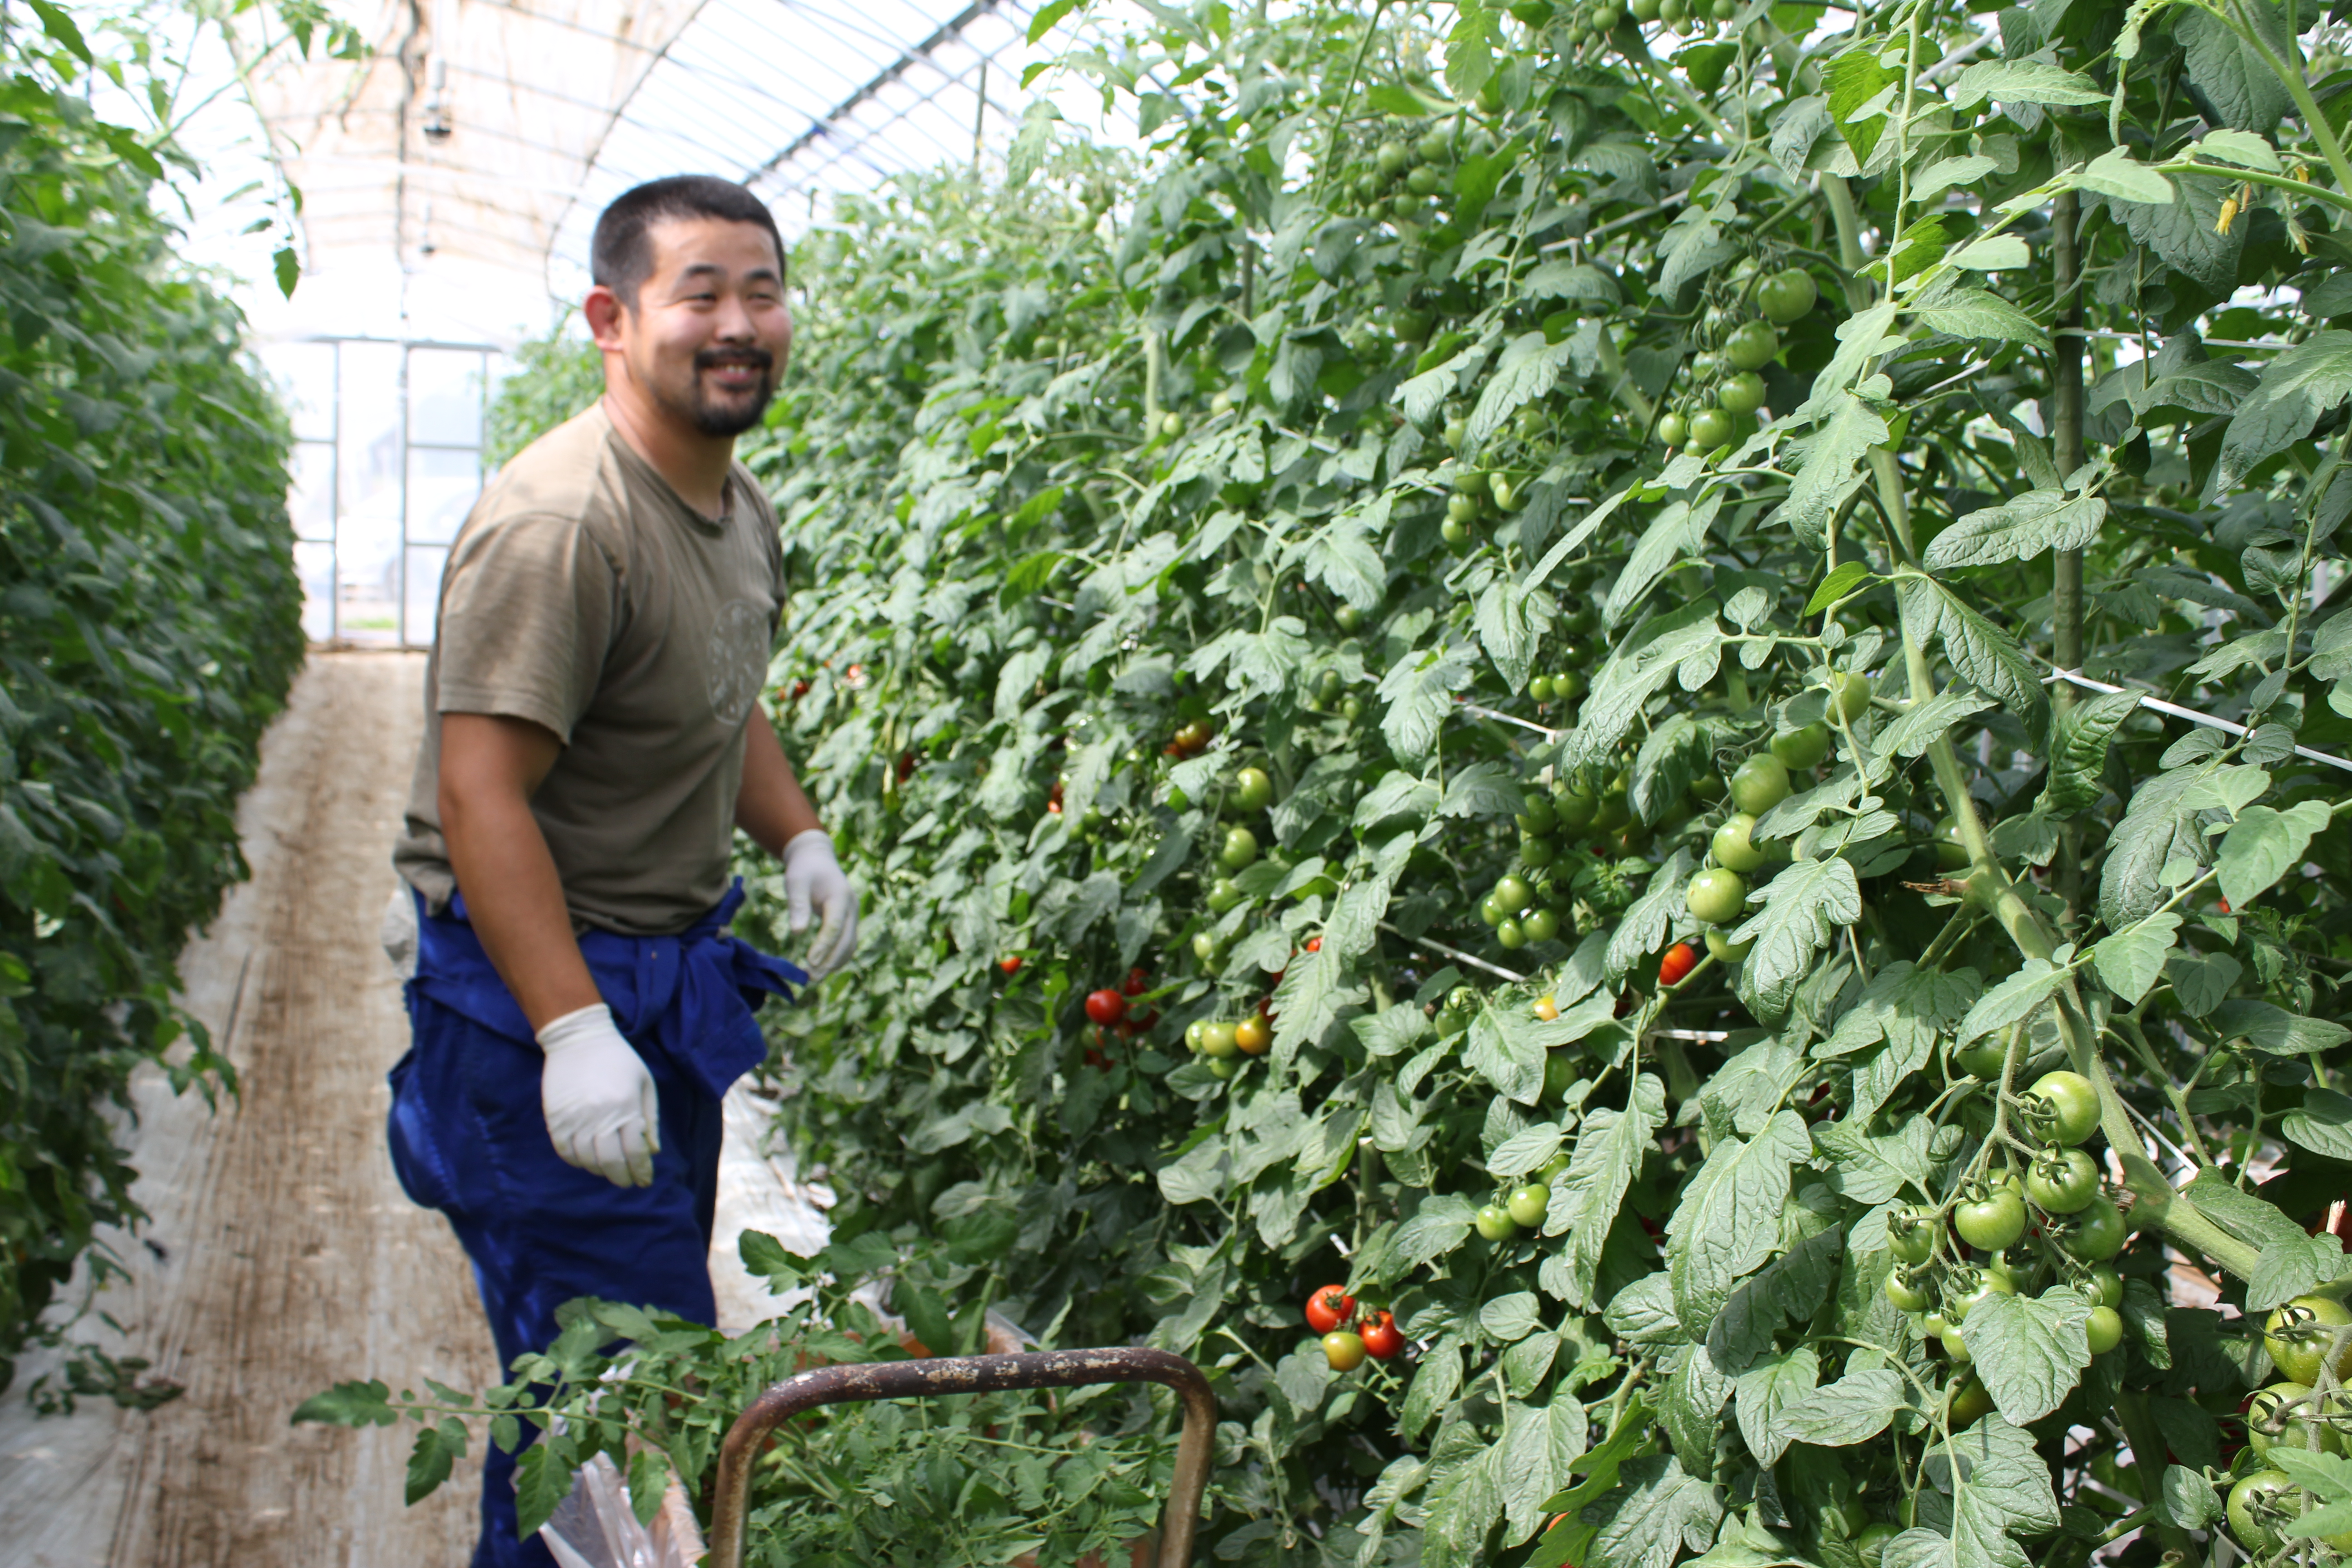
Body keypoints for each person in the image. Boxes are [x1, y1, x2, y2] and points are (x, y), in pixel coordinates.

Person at [380, 175, 858, 1568]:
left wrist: (797, 833)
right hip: (536, 1000)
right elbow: (482, 794)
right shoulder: (563, 524)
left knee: (602, 1397)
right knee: (626, 1401)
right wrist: (573, 1030)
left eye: (759, 291)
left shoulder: (731, 505)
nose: (739, 323)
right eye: (698, 292)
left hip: (663, 982)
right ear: (612, 317)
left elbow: (721, 690)